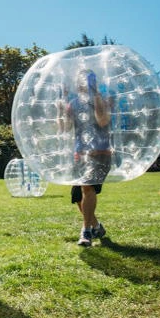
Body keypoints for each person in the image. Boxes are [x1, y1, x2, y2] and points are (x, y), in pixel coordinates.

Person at [60, 70, 112, 247]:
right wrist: (62, 106)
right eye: (81, 81)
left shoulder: (102, 100)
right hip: (80, 154)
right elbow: (65, 128)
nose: (84, 85)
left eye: (89, 81)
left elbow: (103, 120)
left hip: (100, 154)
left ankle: (86, 232)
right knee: (77, 196)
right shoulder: (73, 104)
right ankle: (97, 227)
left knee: (87, 188)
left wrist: (95, 96)